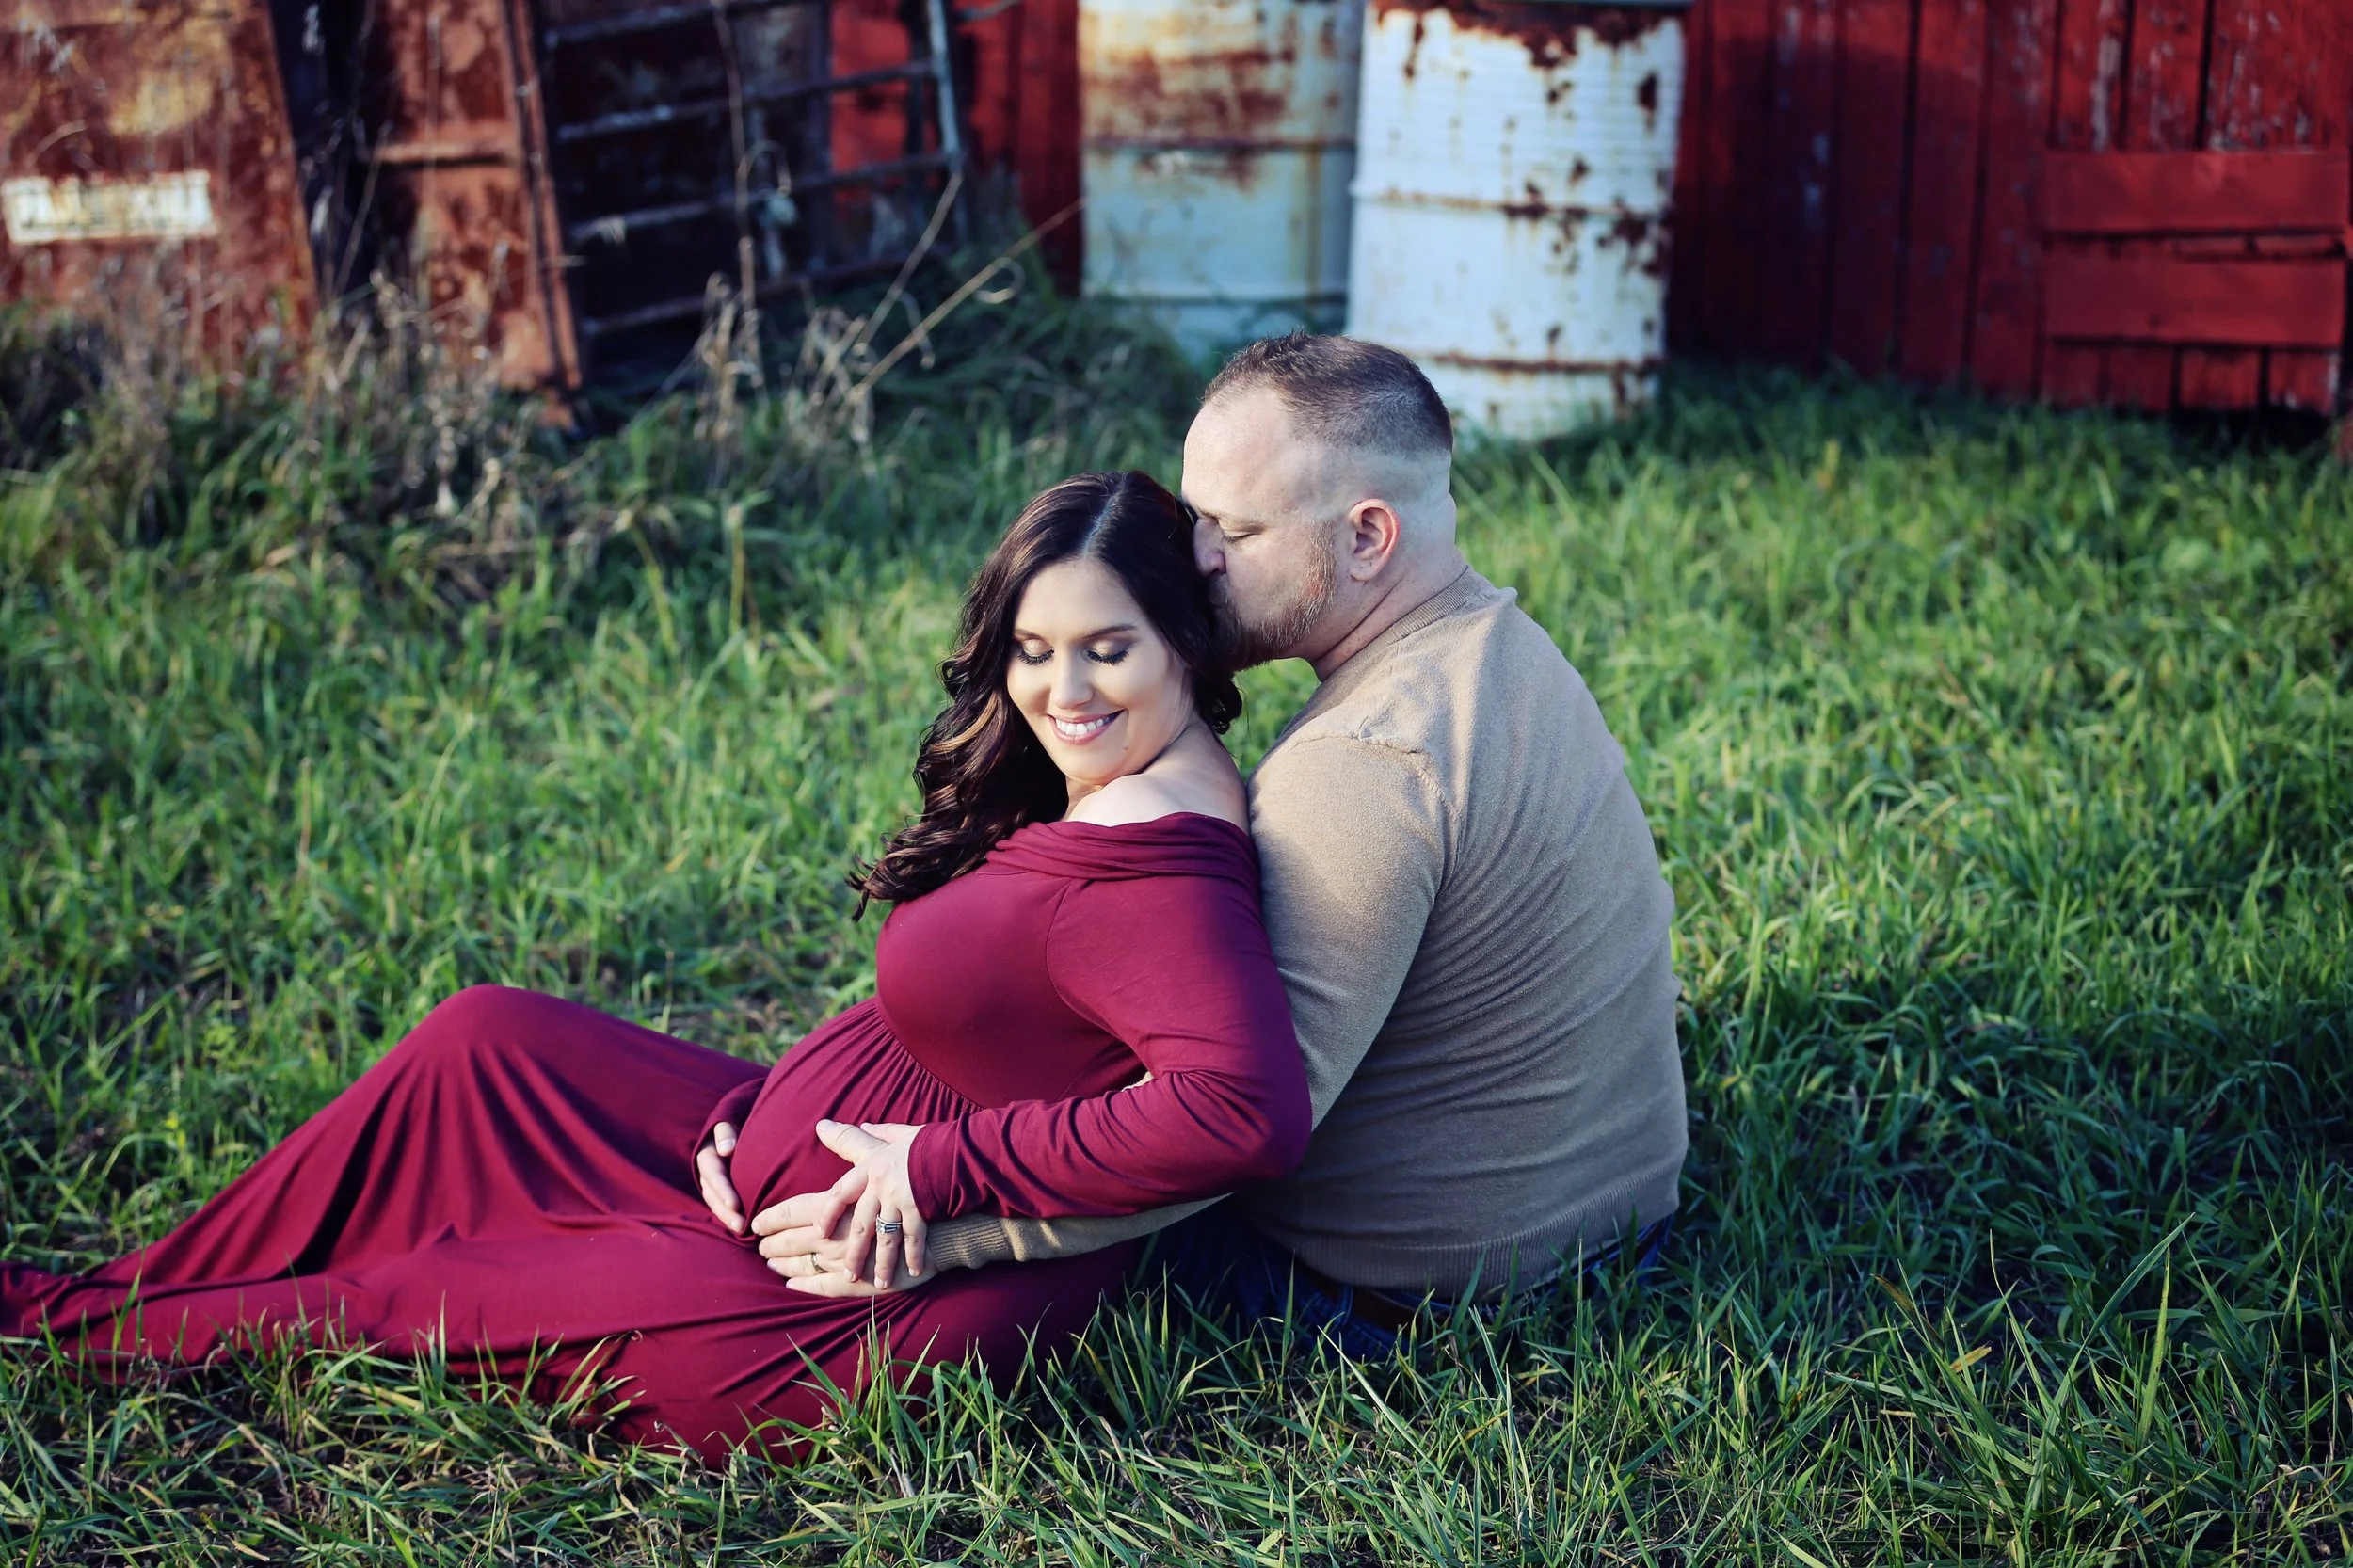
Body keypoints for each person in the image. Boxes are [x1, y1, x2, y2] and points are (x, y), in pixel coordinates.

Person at [0, 472, 1312, 1462]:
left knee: (406, 1294)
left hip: (846, 1302)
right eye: (1033, 648)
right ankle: (160, 1277)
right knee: (485, 1038)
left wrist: (931, 1168)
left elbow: (1240, 1111)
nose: (1061, 689)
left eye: (1107, 647)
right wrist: (775, 1100)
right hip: (792, 1167)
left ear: (1186, 647)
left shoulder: (1161, 868)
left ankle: (67, 1322)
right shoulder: (1121, 783)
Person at [739, 335, 1688, 1357]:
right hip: (1613, 1215)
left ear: (1367, 536)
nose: (1196, 555)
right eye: (1197, 515)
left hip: (1422, 1293)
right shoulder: (1495, 645)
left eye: (1235, 528)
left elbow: (1227, 1134)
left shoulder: (1366, 767)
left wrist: (931, 1224)